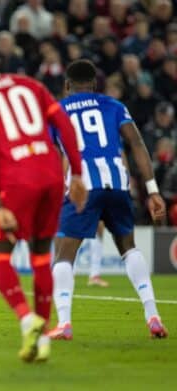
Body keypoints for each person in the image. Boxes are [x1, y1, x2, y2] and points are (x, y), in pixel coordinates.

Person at [0, 40, 87, 362]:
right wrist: (79, 175)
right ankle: (42, 340)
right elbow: (65, 126)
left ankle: (27, 319)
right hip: (52, 175)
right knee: (41, 257)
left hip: (17, 181)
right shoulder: (31, 85)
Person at [49, 59, 168, 340]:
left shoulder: (57, 111)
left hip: (83, 185)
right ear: (95, 84)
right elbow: (137, 144)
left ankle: (64, 323)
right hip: (117, 181)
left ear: (67, 85)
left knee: (64, 254)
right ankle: (153, 315)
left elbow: (54, 156)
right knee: (128, 247)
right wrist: (152, 190)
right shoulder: (114, 106)